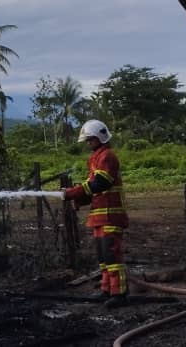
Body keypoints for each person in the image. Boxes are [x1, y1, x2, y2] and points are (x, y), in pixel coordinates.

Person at [63, 119, 129, 308]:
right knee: (103, 257)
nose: (88, 143)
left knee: (112, 256)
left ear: (100, 138)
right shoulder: (96, 157)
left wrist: (73, 192)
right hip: (99, 216)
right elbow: (93, 189)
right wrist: (78, 196)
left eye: (90, 140)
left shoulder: (107, 156)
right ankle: (106, 290)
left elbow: (101, 183)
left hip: (110, 215)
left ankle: (120, 294)